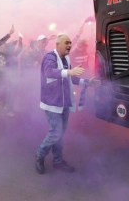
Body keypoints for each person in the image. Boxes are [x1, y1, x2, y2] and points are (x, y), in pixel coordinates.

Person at [35, 34, 100, 174]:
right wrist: (70, 71)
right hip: (52, 103)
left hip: (64, 102)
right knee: (56, 132)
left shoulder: (66, 59)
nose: (70, 45)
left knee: (60, 133)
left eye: (70, 43)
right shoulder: (50, 57)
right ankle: (40, 155)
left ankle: (58, 161)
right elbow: (49, 72)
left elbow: (71, 77)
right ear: (58, 44)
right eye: (67, 43)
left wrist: (87, 82)